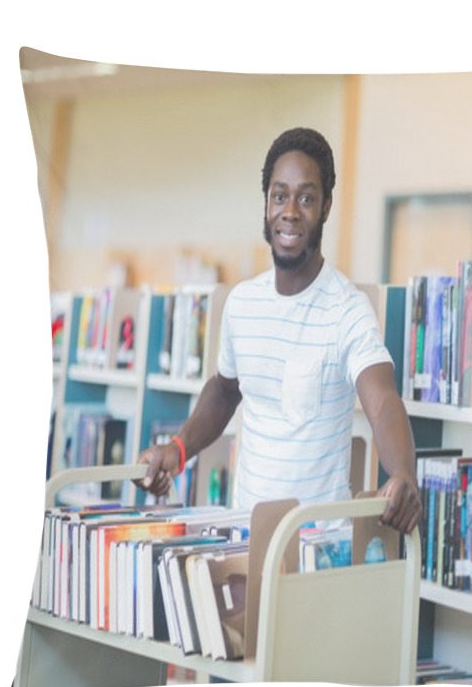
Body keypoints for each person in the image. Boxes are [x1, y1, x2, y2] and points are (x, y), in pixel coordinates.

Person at [136, 127, 421, 534]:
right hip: (245, 539)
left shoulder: (347, 309)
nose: (290, 211)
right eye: (279, 195)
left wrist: (404, 473)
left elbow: (382, 400)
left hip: (318, 547)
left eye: (306, 198)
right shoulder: (242, 303)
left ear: (325, 208)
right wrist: (179, 448)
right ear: (267, 203)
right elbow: (225, 390)